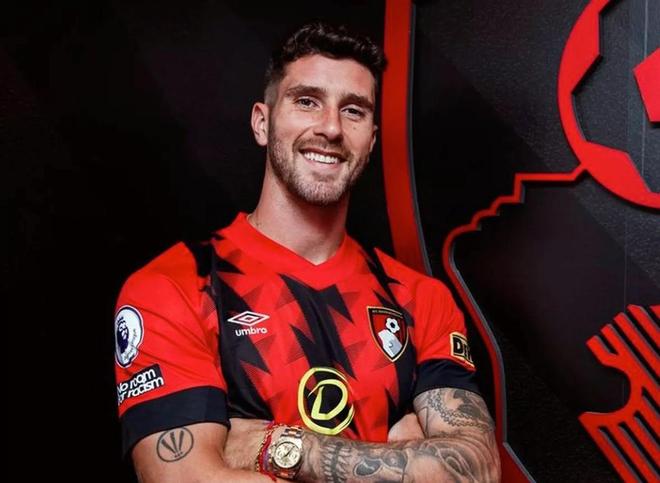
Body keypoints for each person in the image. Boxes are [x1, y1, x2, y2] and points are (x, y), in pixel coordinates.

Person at [114, 22, 501, 482]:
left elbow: (476, 470)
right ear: (262, 123)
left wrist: (278, 446)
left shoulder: (421, 300)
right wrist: (404, 457)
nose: (331, 128)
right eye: (307, 101)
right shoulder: (174, 287)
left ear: (371, 140)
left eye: (353, 111)